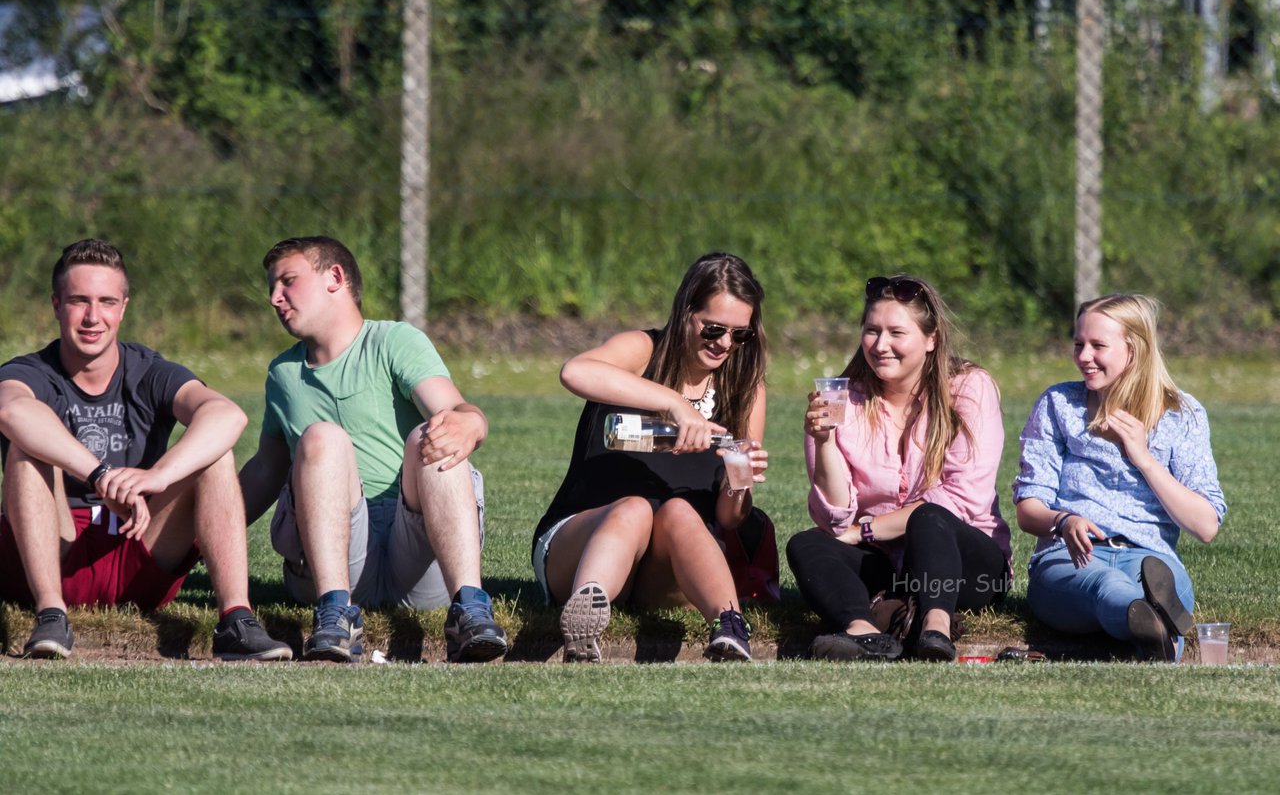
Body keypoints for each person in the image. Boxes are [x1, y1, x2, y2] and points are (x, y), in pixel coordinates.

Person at [0, 239, 291, 661]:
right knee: (27, 452)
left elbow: (227, 415)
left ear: (124, 307)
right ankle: (50, 614)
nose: (93, 317)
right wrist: (100, 475)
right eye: (79, 301)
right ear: (56, 305)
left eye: (106, 301)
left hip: (137, 543)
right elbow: (11, 411)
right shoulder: (29, 371)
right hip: (51, 549)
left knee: (215, 455)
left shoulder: (149, 370)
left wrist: (158, 476)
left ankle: (236, 620)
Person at [238, 236, 508, 663]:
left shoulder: (393, 341)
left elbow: (454, 411)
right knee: (322, 438)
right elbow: (265, 471)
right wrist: (199, 537)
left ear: (336, 278)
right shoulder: (282, 374)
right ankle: (334, 613)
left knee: (431, 435)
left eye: (288, 281)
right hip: (333, 549)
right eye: (272, 287)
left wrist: (471, 422)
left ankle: (470, 608)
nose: (275, 298)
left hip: (417, 549)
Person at [532, 252, 770, 663]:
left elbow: (730, 518)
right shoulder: (643, 351)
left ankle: (730, 625)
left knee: (679, 511)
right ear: (685, 313)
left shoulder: (746, 386)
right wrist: (675, 404)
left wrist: (738, 479)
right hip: (584, 541)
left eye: (740, 335)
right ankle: (584, 619)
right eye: (713, 329)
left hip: (670, 562)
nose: (725, 344)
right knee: (635, 509)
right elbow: (576, 372)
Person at [786, 276, 1010, 662]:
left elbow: (963, 499)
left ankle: (935, 628)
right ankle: (865, 634)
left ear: (931, 339)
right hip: (886, 567)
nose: (880, 344)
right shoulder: (840, 400)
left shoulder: (970, 387)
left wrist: (865, 529)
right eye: (871, 331)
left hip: (963, 570)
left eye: (896, 332)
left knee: (930, 517)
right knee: (805, 543)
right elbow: (834, 518)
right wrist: (823, 442)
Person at [1013, 294, 1225, 662]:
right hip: (1071, 558)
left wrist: (1142, 457)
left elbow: (1205, 525)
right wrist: (1063, 520)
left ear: (1135, 350)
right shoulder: (1059, 404)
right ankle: (1155, 625)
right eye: (1079, 344)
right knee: (1106, 584)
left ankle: (1152, 624)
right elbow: (1028, 510)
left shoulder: (1181, 414)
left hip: (1151, 559)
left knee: (1146, 582)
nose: (1083, 357)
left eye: (1098, 346)